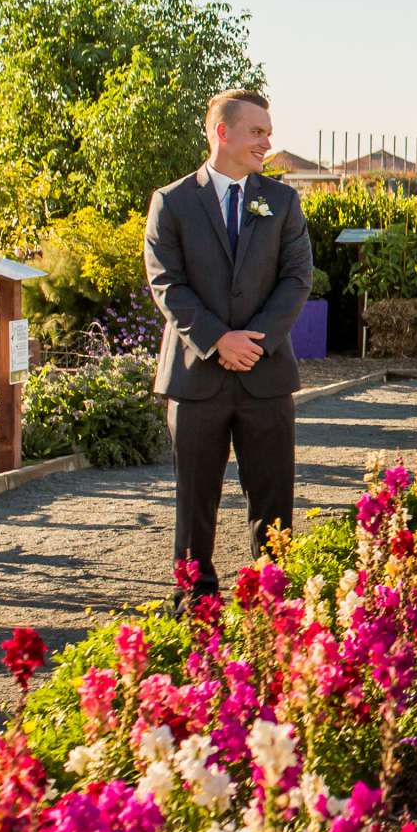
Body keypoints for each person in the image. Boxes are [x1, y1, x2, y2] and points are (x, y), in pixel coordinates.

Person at [144, 89, 313, 602]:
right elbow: (166, 281)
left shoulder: (283, 202)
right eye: (257, 131)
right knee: (196, 500)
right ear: (223, 132)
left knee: (273, 498)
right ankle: (196, 602)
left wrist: (251, 342)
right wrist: (219, 340)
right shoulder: (171, 202)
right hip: (197, 380)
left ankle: (273, 597)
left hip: (264, 376)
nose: (267, 141)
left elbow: (297, 277)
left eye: (268, 130)